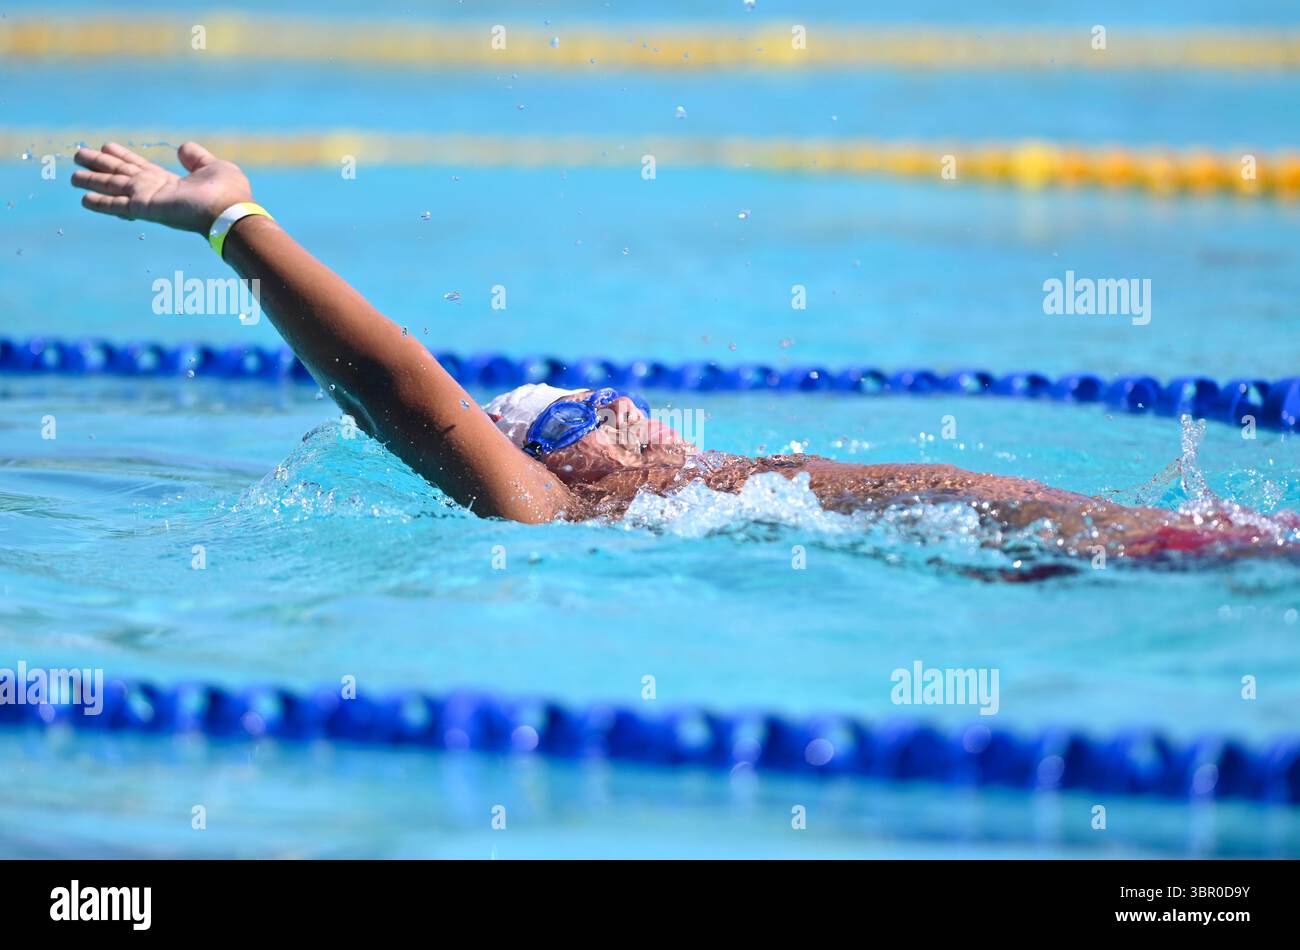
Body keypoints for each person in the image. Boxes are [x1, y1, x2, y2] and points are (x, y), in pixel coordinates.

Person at [71, 142, 1296, 572]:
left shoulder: (694, 492)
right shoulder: (548, 507)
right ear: (551, 460)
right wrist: (234, 223)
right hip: (1000, 545)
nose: (634, 410)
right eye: (587, 412)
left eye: (619, 394)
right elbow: (399, 381)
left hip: (998, 535)